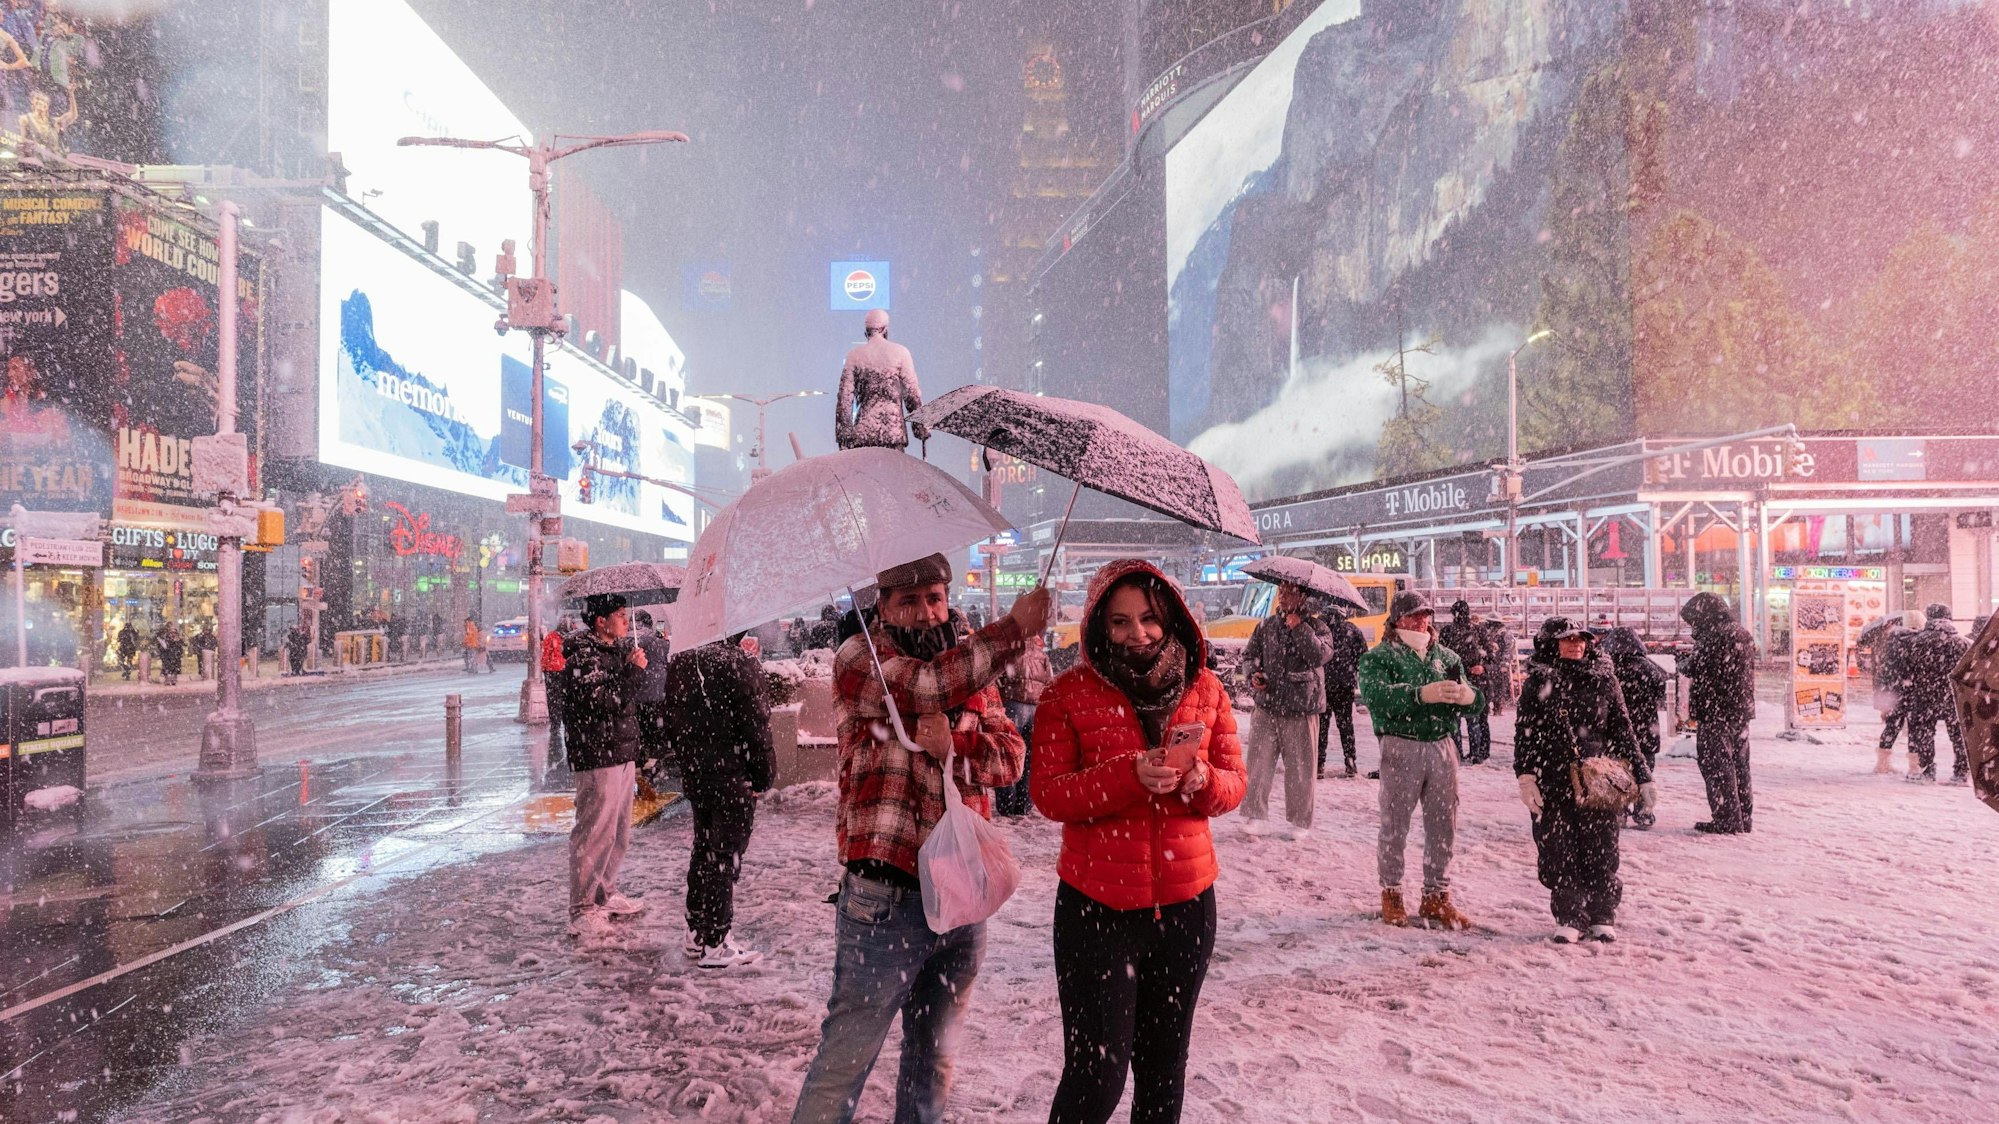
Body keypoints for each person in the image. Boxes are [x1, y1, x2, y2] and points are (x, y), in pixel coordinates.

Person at [790, 554, 1050, 1124]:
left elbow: (1011, 758)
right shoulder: (862, 658)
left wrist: (958, 743)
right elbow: (927, 687)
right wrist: (1015, 631)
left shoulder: (970, 665)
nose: (926, 609)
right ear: (883, 606)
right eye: (908, 599)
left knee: (933, 1065)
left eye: (934, 596)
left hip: (962, 897)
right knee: (844, 1064)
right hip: (884, 903)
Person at [1030, 560, 1247, 1124]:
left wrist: (1201, 780)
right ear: (1100, 625)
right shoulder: (1066, 693)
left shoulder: (1206, 687)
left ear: (1170, 616)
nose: (1138, 634)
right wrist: (1127, 775)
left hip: (1186, 907)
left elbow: (1234, 785)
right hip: (1095, 910)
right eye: (1121, 622)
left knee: (1163, 1070)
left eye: (1149, 619)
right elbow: (1049, 794)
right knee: (1095, 1075)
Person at [1513, 619, 1654, 943]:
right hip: (1553, 777)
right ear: (1552, 644)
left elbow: (1623, 730)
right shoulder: (1538, 683)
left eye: (1581, 639)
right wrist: (1525, 775)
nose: (1576, 644)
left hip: (1597, 779)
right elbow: (1525, 735)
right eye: (1568, 640)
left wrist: (1643, 776)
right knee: (1558, 850)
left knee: (1601, 848)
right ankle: (1570, 915)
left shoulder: (1605, 680)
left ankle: (1602, 914)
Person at [1356, 590, 1483, 930]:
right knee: (1395, 824)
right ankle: (1392, 892)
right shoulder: (1378, 657)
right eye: (1414, 615)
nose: (1422, 621)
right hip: (1401, 744)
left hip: (1442, 744)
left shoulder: (1446, 655)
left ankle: (1436, 895)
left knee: (1444, 823)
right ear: (1397, 620)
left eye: (1425, 614)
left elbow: (1475, 703)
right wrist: (1417, 694)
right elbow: (1376, 697)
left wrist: (1468, 696)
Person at [662, 633, 776, 968]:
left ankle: (697, 933)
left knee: (705, 849)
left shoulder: (682, 663)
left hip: (700, 777)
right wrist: (762, 777)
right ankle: (716, 942)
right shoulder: (738, 663)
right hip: (732, 776)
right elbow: (758, 727)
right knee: (724, 856)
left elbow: (670, 723)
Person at [559, 594, 650, 941]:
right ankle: (581, 909)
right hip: (598, 755)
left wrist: (629, 666)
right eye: (619, 614)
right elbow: (601, 703)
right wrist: (631, 671)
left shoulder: (615, 651)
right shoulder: (584, 655)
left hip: (622, 751)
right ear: (600, 621)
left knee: (618, 831)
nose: (625, 621)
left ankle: (605, 893)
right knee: (594, 832)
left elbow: (623, 699)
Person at [1239, 582, 1333, 837]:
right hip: (1267, 705)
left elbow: (1320, 657)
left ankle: (1300, 821)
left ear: (1303, 597)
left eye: (1289, 592)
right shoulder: (1266, 626)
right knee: (1258, 764)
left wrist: (1300, 629)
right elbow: (1249, 656)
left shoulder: (1317, 626)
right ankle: (1254, 814)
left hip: (1302, 708)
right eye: (1281, 591)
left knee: (1301, 768)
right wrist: (1254, 675)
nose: (1283, 596)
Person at [1677, 592, 1756, 834]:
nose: (1693, 626)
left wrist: (1682, 661)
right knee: (1740, 764)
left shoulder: (1714, 635)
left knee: (1716, 764)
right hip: (1739, 709)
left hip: (1715, 710)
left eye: (1693, 620)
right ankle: (1743, 816)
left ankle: (1726, 818)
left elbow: (1697, 667)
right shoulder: (1741, 633)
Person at [1599, 627, 1668, 828]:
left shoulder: (1608, 668)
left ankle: (1619, 811)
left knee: (1616, 770)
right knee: (1644, 770)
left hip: (1616, 730)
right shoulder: (1648, 667)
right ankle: (1644, 811)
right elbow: (1660, 691)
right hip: (1646, 729)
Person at [834, 309, 926, 452]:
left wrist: (844, 436)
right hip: (893, 433)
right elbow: (912, 394)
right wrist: (920, 428)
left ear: (866, 331)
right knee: (893, 474)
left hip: (864, 434)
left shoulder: (855, 357)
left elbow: (844, 400)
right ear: (885, 329)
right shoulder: (900, 353)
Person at [1899, 603, 1970, 785]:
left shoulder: (1915, 642)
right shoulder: (1962, 643)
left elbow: (1906, 673)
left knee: (1924, 733)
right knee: (1958, 734)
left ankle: (1927, 769)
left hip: (1924, 695)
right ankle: (1961, 772)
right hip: (1954, 696)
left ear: (1928, 618)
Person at [994, 632, 1055, 817]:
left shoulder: (1009, 652)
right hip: (1035, 709)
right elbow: (1049, 681)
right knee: (1028, 758)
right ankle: (1023, 805)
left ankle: (1006, 804)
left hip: (1012, 705)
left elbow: (994, 679)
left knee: (1007, 755)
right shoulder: (1041, 655)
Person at [1438, 600, 1496, 764]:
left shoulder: (1448, 631)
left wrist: (1481, 668)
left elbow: (1442, 657)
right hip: (1474, 681)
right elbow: (1492, 657)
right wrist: (1483, 667)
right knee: (1475, 719)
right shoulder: (1478, 631)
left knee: (1460, 720)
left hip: (1456, 679)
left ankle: (1459, 753)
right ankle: (1478, 754)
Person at [1317, 604, 1368, 779]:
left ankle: (1318, 762)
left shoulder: (1318, 629)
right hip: (1344, 684)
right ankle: (1350, 759)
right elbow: (1362, 656)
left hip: (1322, 684)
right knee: (1345, 724)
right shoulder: (1352, 630)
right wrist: (1351, 669)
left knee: (1321, 725)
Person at [1869, 613, 1916, 774]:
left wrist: (1884, 699)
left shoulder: (1891, 641)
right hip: (1910, 691)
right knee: (1915, 728)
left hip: (1894, 692)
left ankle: (1882, 763)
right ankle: (1914, 766)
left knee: (1893, 726)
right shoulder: (1914, 642)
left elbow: (1884, 672)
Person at [631, 610, 674, 782]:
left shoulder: (633, 639)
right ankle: (654, 761)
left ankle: (641, 760)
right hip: (658, 691)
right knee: (656, 726)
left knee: (640, 726)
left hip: (639, 692)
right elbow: (666, 651)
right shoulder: (659, 640)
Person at [542, 616, 577, 775]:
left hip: (554, 671)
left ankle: (556, 722)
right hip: (563, 671)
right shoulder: (571, 636)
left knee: (554, 699)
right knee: (564, 698)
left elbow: (546, 653)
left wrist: (545, 668)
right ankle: (561, 720)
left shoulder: (552, 636)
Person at [1478, 617, 1515, 715]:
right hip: (1491, 663)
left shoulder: (1505, 634)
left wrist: (1504, 664)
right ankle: (1487, 706)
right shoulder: (1489, 633)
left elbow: (1508, 650)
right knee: (1489, 686)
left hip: (1499, 664)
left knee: (1499, 686)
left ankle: (1497, 708)